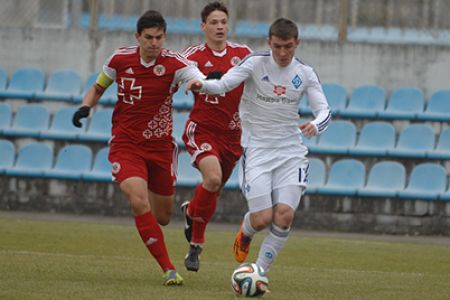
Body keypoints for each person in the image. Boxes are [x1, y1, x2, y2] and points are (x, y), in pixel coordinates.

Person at [185, 18, 331, 273]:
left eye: (288, 46)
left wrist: (316, 125)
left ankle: (259, 273)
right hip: (257, 151)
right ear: (269, 43)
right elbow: (223, 85)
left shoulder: (304, 73)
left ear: (297, 43)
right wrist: (203, 84)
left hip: (291, 152)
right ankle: (247, 229)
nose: (283, 53)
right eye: (277, 47)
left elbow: (324, 109)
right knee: (263, 219)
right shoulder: (254, 63)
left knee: (284, 214)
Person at [72, 10, 204, 286]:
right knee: (137, 199)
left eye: (159, 38)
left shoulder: (174, 63)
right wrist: (85, 106)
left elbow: (195, 76)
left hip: (160, 148)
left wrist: (197, 83)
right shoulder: (120, 59)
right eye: (149, 38)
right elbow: (98, 87)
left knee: (163, 217)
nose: (154, 43)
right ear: (138, 37)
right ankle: (168, 269)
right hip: (126, 144)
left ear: (163, 37)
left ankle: (189, 213)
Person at [180, 1, 251, 273]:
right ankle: (196, 245)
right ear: (203, 26)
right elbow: (175, 78)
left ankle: (190, 212)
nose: (219, 27)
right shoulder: (192, 55)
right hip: (203, 128)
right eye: (214, 22)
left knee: (214, 189)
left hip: (233, 135)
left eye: (223, 22)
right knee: (212, 179)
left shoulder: (243, 54)